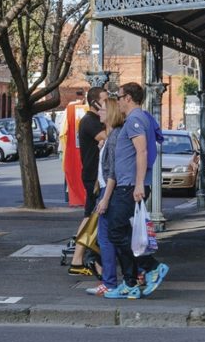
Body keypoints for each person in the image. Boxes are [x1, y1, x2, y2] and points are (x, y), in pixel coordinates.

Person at [103, 81, 167, 299]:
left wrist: (139, 184)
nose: (118, 102)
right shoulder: (136, 119)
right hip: (127, 184)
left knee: (116, 232)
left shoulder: (135, 120)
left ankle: (151, 267)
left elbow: (141, 152)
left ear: (128, 98)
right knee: (123, 234)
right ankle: (130, 282)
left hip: (129, 186)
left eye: (119, 97)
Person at [88, 95, 125, 297]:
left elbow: (112, 173)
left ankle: (110, 282)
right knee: (113, 237)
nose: (99, 113)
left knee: (106, 239)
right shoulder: (111, 138)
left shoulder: (113, 138)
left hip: (108, 192)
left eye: (102, 109)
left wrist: (105, 198)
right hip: (106, 191)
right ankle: (128, 275)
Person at [69, 86, 108, 276]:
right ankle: (79, 259)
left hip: (95, 175)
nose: (108, 104)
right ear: (94, 102)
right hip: (94, 176)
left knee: (91, 216)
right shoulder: (90, 121)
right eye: (104, 100)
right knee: (91, 217)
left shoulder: (93, 120)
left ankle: (79, 259)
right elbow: (107, 138)